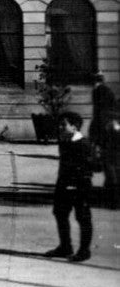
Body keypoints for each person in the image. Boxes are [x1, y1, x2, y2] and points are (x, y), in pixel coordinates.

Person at [44, 112, 93, 263]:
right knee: (60, 213)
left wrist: (74, 184)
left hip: (79, 185)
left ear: (74, 126)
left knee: (82, 217)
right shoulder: (64, 140)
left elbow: (86, 168)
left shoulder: (83, 144)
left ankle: (84, 251)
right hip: (63, 183)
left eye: (63, 124)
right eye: (59, 124)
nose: (60, 127)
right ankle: (65, 247)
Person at [88, 73, 119, 207]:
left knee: (108, 162)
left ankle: (112, 192)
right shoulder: (107, 91)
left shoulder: (99, 91)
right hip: (109, 130)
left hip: (105, 131)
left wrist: (94, 133)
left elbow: (99, 113)